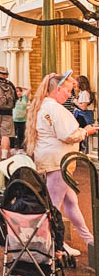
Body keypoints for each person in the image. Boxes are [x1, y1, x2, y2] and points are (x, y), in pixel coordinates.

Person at [25, 71, 98, 261]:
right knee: (54, 207)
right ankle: (50, 247)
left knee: (70, 202)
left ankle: (89, 240)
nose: (68, 95)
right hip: (59, 162)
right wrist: (85, 131)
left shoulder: (44, 106)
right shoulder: (55, 109)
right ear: (57, 90)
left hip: (53, 160)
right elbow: (67, 134)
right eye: (66, 91)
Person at [74, 75, 95, 153]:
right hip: (80, 115)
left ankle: (85, 151)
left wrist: (76, 102)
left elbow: (83, 107)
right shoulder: (81, 93)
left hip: (84, 115)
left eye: (77, 82)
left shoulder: (85, 93)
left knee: (84, 132)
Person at [12, 86, 29, 152]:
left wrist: (22, 87)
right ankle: (12, 148)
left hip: (23, 120)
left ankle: (21, 149)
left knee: (21, 135)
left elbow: (29, 89)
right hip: (14, 120)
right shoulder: (13, 99)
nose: (18, 93)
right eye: (17, 91)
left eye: (20, 91)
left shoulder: (25, 98)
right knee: (13, 134)